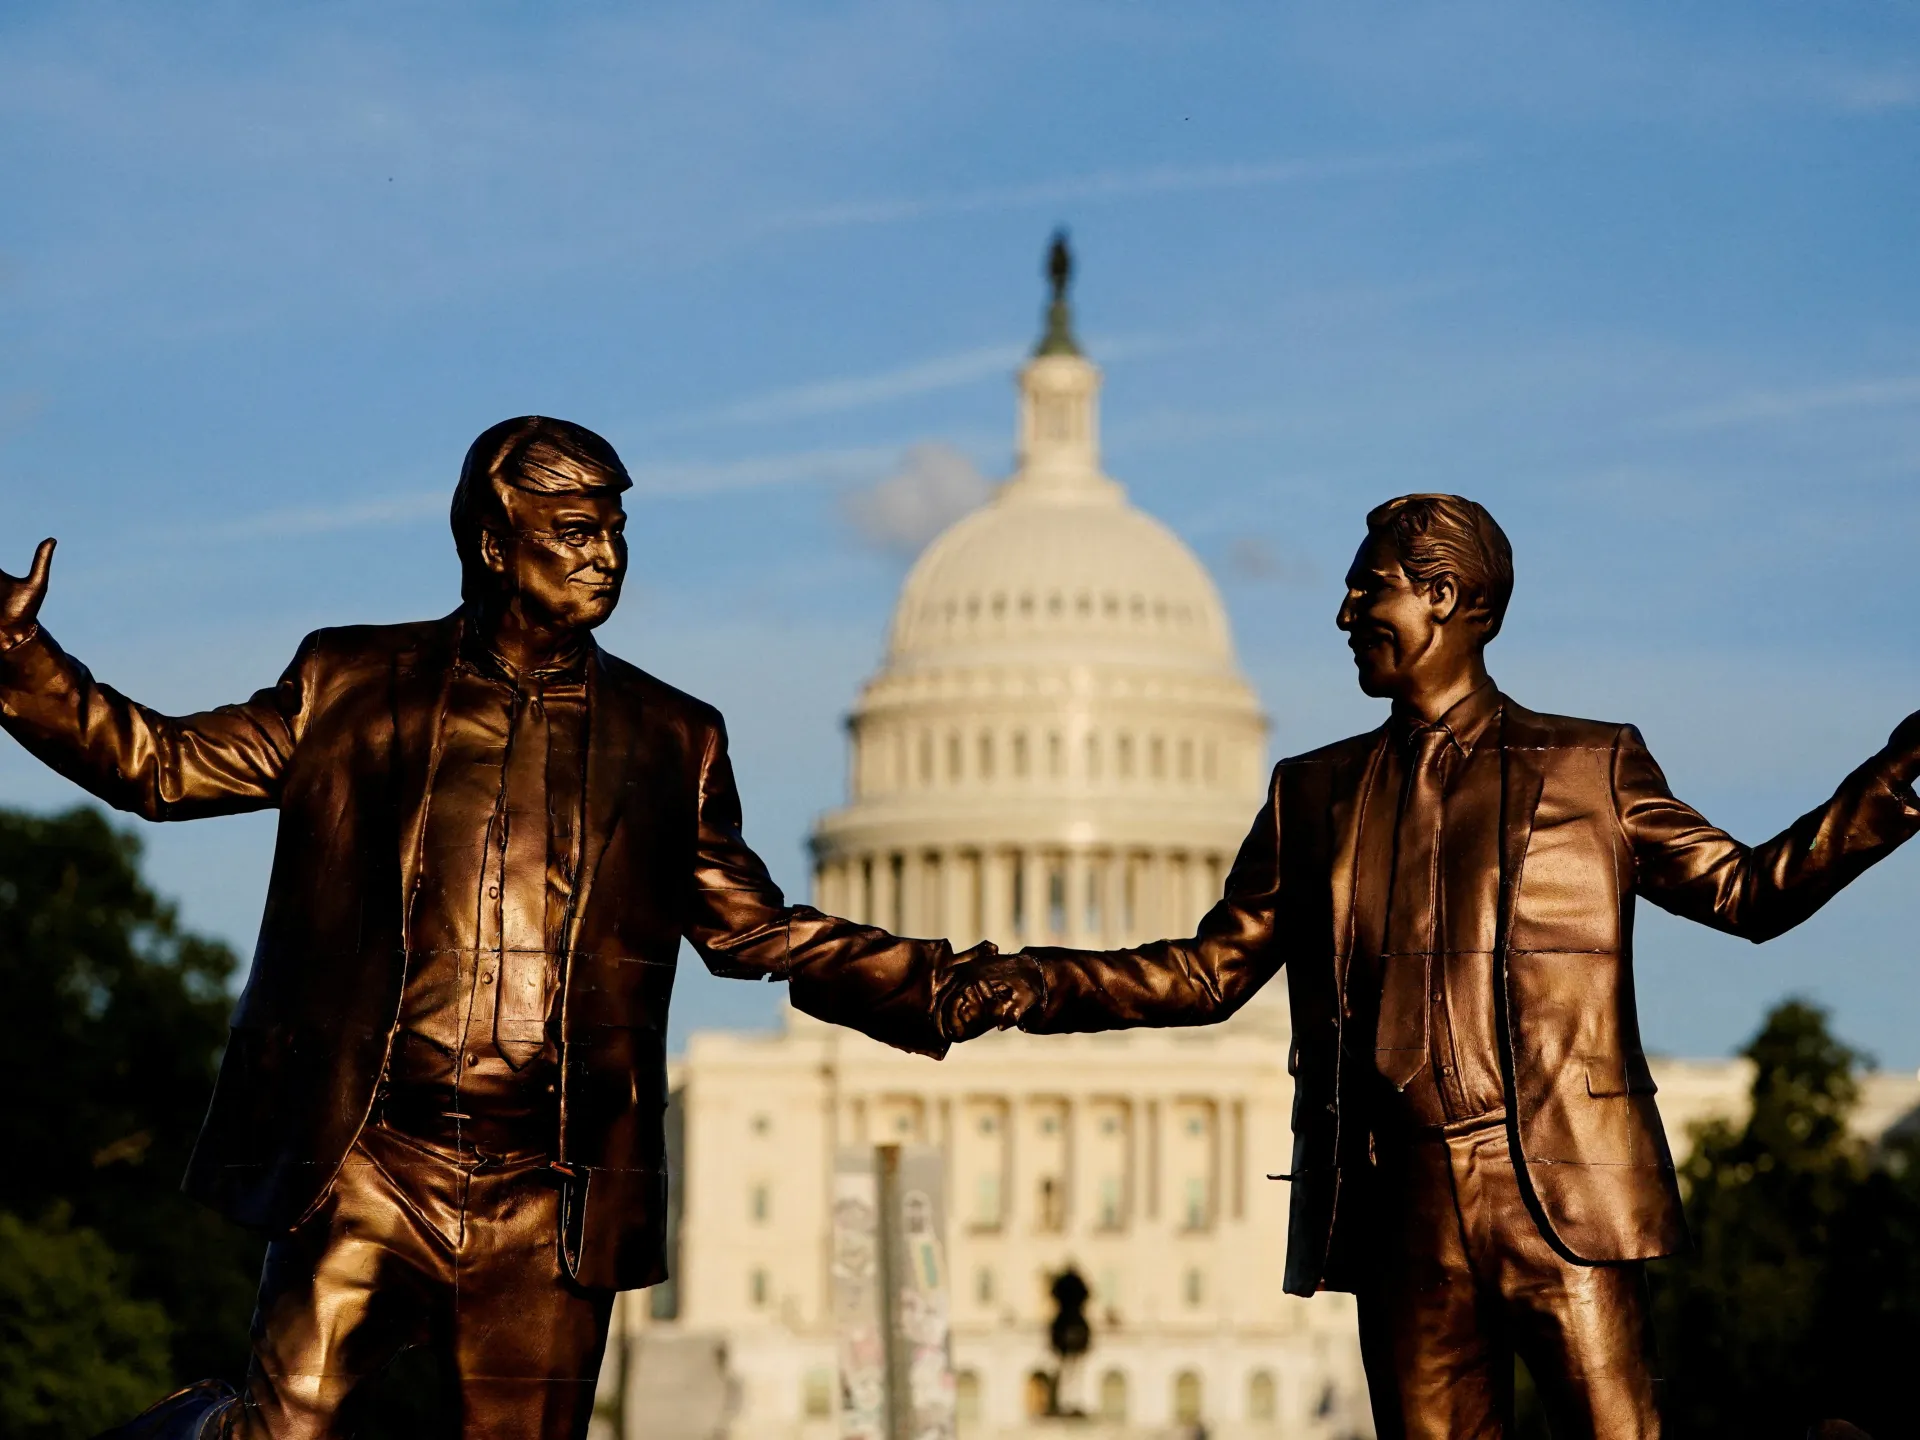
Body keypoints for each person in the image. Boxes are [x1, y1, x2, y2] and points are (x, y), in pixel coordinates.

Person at [0, 417, 985, 1440]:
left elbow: (762, 936)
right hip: (373, 1163)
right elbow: (159, 766)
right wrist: (18, 654)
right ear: (494, 544)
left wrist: (1047, 985)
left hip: (547, 1203)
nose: (607, 556)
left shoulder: (672, 737)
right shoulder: (352, 681)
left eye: (615, 530)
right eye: (576, 531)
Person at [938, 494, 1920, 1440]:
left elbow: (1747, 892)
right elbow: (1205, 974)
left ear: (1444, 597)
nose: (1345, 615)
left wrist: (1890, 785)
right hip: (1399, 1205)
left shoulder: (1591, 766)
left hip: (1559, 1191)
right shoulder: (1311, 793)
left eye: (1368, 590)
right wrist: (1019, 982)